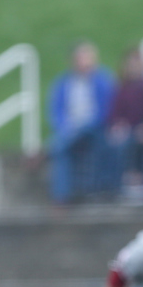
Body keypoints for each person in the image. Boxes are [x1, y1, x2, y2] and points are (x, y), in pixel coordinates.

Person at [47, 41, 115, 205]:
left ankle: (62, 196)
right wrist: (65, 127)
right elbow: (56, 111)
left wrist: (86, 125)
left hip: (94, 128)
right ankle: (62, 196)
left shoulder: (103, 80)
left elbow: (107, 109)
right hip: (70, 130)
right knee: (61, 149)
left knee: (59, 146)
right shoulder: (63, 83)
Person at [106, 49, 143, 202]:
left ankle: (138, 179)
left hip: (142, 128)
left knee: (139, 140)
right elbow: (115, 112)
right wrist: (118, 124)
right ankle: (117, 183)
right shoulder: (121, 88)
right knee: (118, 142)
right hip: (125, 129)